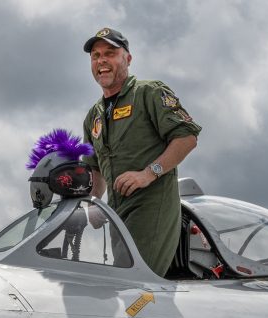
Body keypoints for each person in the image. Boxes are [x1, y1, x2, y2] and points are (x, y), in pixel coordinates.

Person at [81, 27, 201, 277]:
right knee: (123, 282)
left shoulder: (149, 92)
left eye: (110, 53)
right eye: (95, 55)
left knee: (133, 285)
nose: (101, 60)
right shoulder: (93, 116)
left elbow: (187, 137)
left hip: (151, 206)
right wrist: (94, 203)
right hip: (117, 213)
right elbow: (95, 168)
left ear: (128, 59)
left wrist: (148, 173)